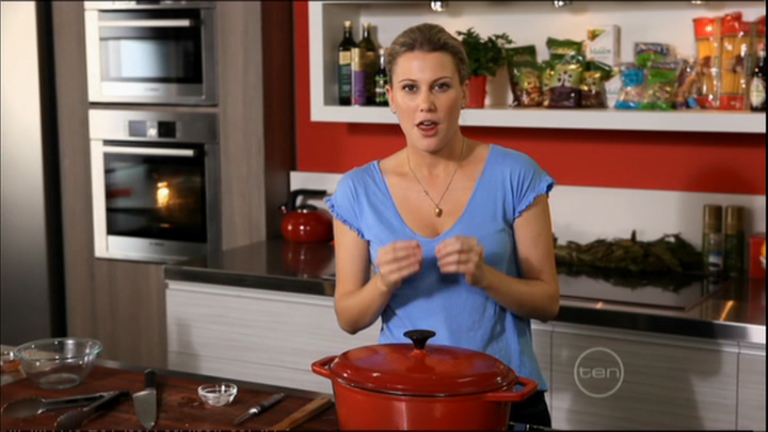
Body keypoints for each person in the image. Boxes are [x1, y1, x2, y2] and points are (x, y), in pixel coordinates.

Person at [325, 22, 559, 429]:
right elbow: (349, 317)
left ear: (465, 93)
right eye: (410, 88)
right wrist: (384, 282)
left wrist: (485, 276)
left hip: (503, 399)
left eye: (441, 86)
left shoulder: (516, 174)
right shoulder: (357, 189)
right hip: (404, 400)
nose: (426, 104)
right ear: (391, 97)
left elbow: (547, 303)